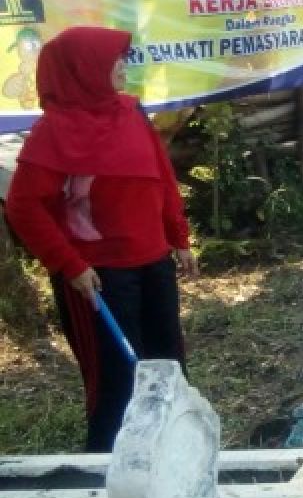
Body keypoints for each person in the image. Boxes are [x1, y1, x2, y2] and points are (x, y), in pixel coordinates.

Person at [4, 26, 196, 452]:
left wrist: (177, 236)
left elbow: (160, 177)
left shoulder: (130, 111)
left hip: (152, 261)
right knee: (117, 378)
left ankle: (173, 448)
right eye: (115, 60)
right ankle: (108, 467)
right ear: (84, 69)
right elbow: (23, 207)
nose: (123, 67)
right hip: (98, 276)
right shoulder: (53, 133)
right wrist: (70, 265)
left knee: (167, 360)